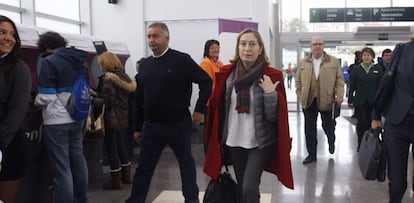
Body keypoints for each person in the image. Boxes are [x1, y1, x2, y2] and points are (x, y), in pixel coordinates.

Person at [203, 28, 294, 203]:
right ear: (238, 48)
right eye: (243, 44)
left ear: (260, 49)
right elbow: (219, 109)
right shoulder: (227, 75)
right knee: (245, 187)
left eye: (252, 44)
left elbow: (275, 119)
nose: (247, 48)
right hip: (234, 140)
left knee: (249, 187)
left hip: (259, 142)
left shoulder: (270, 76)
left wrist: (270, 95)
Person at [125, 22, 212, 203]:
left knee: (186, 165)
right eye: (149, 36)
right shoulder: (146, 65)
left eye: (155, 36)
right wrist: (137, 127)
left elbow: (205, 81)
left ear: (167, 37)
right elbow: (140, 99)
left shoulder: (182, 60)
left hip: (178, 125)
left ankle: (191, 200)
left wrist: (199, 109)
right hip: (151, 126)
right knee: (143, 168)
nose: (151, 40)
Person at [34, 31, 88, 203]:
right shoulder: (80, 61)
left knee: (62, 169)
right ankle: (81, 200)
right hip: (77, 117)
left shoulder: (49, 61)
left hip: (57, 121)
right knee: (78, 162)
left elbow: (46, 97)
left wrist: (35, 100)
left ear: (47, 47)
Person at [371, 36, 414, 203]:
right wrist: (376, 115)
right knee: (397, 183)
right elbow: (387, 82)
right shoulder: (403, 50)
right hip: (397, 123)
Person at [295, 36, 345, 164]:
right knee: (309, 128)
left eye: (320, 44)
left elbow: (340, 80)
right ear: (311, 46)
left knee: (328, 126)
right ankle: (312, 154)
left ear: (323, 46)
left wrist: (339, 96)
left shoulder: (333, 62)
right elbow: (298, 81)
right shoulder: (303, 62)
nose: (317, 46)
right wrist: (301, 94)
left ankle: (331, 140)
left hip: (327, 100)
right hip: (308, 101)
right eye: (315, 44)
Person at [0, 15, 32, 203]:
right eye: (2, 32)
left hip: (9, 146)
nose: (8, 38)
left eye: (12, 34)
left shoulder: (18, 68)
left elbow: (16, 113)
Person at [93, 51, 136, 190]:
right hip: (122, 117)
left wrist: (93, 99)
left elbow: (108, 101)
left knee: (112, 150)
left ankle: (116, 182)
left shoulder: (108, 79)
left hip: (111, 118)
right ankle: (126, 177)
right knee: (121, 147)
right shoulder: (124, 77)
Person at [348, 47, 383, 151]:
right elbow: (352, 85)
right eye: (364, 55)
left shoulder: (377, 68)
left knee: (371, 122)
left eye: (368, 55)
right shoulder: (356, 69)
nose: (366, 57)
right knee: (361, 122)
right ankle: (361, 143)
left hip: (373, 100)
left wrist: (381, 100)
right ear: (361, 57)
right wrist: (350, 98)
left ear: (372, 56)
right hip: (360, 100)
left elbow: (380, 86)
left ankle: (371, 144)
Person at [199, 39, 223, 152]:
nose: (216, 49)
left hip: (219, 101)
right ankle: (208, 154)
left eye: (217, 47)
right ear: (207, 50)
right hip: (210, 102)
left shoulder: (219, 63)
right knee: (209, 129)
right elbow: (208, 84)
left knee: (218, 129)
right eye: (212, 47)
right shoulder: (205, 63)